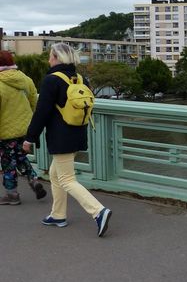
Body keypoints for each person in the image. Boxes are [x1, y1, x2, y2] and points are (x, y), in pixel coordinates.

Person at [22, 42, 112, 237]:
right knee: (55, 175)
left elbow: (42, 112)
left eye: (50, 56)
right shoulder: (81, 79)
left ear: (56, 58)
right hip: (78, 133)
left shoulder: (51, 80)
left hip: (60, 137)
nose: (48, 60)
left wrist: (30, 138)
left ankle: (98, 211)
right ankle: (58, 215)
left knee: (66, 179)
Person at [0, 50, 46, 205]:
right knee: (20, 156)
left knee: (8, 162)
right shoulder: (25, 79)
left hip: (5, 131)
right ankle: (33, 180)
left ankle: (12, 195)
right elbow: (34, 102)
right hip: (25, 128)